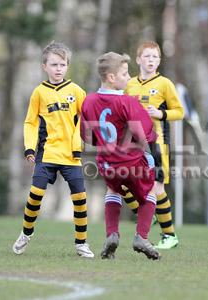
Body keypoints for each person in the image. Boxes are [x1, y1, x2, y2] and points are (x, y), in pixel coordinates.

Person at [12, 41, 94, 258]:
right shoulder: (39, 93)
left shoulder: (77, 91)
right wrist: (29, 148)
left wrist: (81, 144)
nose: (59, 68)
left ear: (68, 66)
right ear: (44, 66)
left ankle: (81, 243)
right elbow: (30, 122)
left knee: (80, 198)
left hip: (70, 155)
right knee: (35, 195)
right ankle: (26, 233)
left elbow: (86, 120)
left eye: (63, 64)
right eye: (54, 64)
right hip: (47, 153)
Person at [80, 52, 160, 260]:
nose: (128, 77)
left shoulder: (88, 101)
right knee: (149, 193)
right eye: (124, 73)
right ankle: (141, 237)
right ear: (111, 78)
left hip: (107, 163)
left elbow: (86, 135)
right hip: (132, 161)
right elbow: (144, 135)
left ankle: (112, 234)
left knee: (113, 189)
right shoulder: (127, 102)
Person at [123, 41, 184, 249]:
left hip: (156, 143)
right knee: (121, 181)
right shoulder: (130, 84)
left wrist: (160, 113)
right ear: (139, 59)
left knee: (157, 188)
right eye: (147, 56)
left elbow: (179, 111)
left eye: (155, 57)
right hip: (132, 143)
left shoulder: (165, 84)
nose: (151, 61)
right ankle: (148, 212)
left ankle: (169, 236)